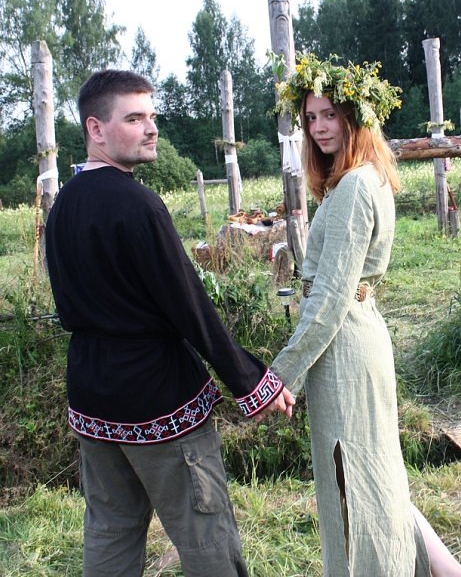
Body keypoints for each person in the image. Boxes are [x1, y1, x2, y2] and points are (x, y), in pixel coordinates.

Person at [45, 69, 295, 577]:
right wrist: (252, 382)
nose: (151, 128)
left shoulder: (64, 203)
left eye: (151, 116)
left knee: (110, 529)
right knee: (205, 532)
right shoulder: (138, 204)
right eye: (134, 118)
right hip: (156, 396)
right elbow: (188, 305)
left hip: (92, 394)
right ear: (96, 128)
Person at [259, 54, 461, 576]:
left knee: (354, 476)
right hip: (355, 338)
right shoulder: (365, 178)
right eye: (310, 117)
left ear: (355, 117)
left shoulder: (353, 187)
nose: (319, 127)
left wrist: (279, 376)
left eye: (330, 114)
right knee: (376, 476)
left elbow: (330, 298)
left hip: (344, 346)